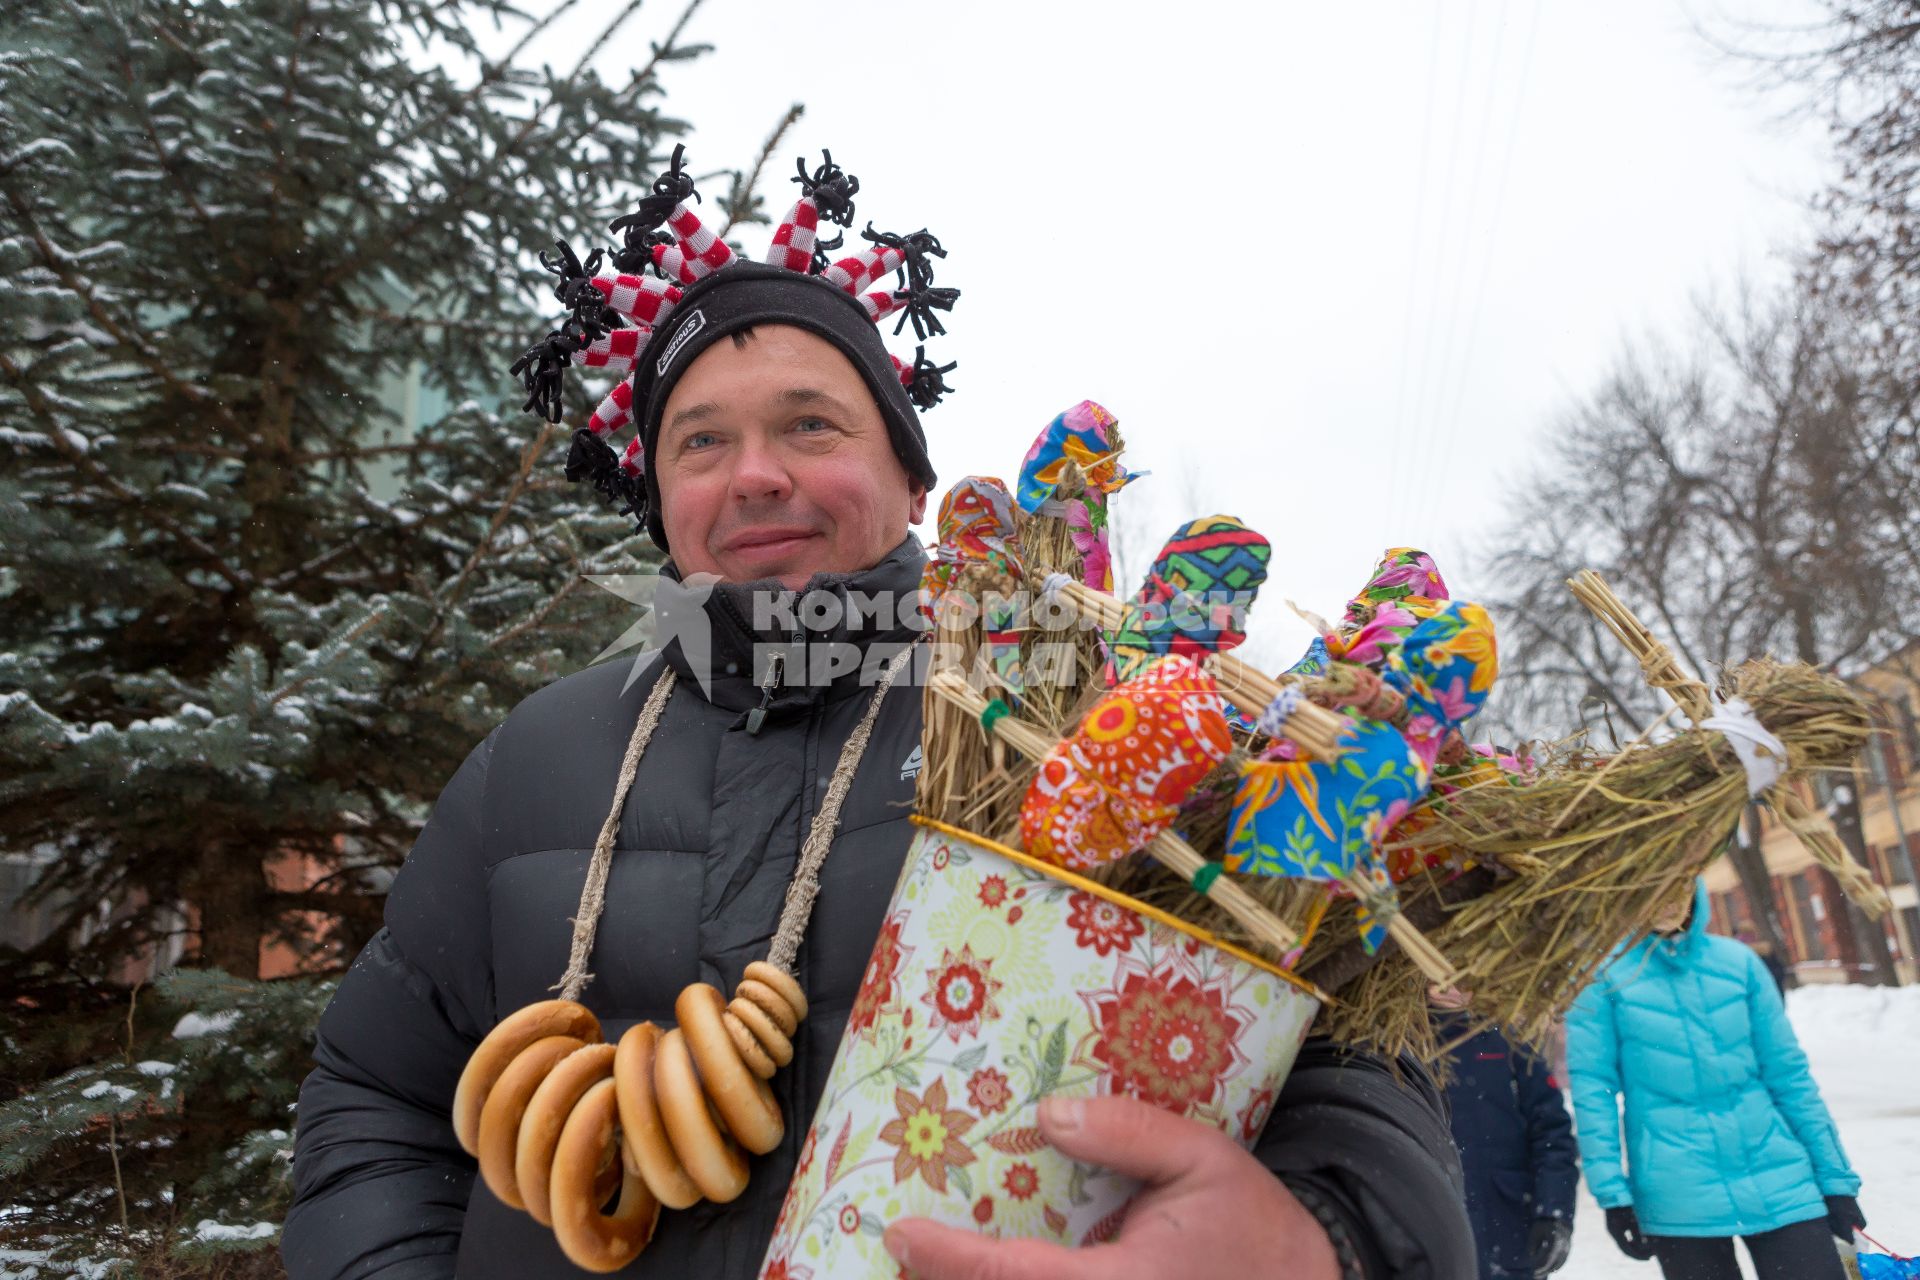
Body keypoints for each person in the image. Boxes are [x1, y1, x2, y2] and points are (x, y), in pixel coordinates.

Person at [281, 149, 1476, 1280]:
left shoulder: (1094, 717)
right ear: (662, 498)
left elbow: (1347, 1049)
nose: (755, 472)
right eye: (702, 441)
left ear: (911, 475)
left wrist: (1319, 1237)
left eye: (810, 423)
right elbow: (377, 1092)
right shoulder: (533, 756)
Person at [1566, 877, 1866, 1280]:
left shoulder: (1738, 964)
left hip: (1780, 1180)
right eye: (1652, 886)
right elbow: (1593, 1090)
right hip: (1677, 1195)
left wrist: (1835, 1180)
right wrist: (1613, 1195)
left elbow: (1789, 1077)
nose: (1668, 900)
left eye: (1678, 885)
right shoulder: (1603, 979)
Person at [1431, 988, 1578, 1279]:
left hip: (1510, 1231)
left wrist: (1553, 1213)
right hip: (1435, 1235)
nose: (1450, 985)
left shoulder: (1509, 1040)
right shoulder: (1403, 1048)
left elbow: (1552, 1133)